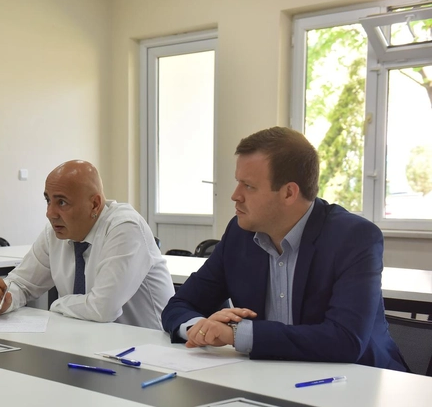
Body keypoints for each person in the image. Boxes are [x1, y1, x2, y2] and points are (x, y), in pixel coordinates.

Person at [162, 127, 406, 372]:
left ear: (289, 193)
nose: (235, 196)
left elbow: (346, 340)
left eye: (249, 186)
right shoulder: (239, 234)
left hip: (359, 380)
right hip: (270, 378)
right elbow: (180, 304)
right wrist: (200, 329)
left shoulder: (353, 237)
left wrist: (237, 334)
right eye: (238, 182)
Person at [0, 160, 173, 329]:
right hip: (87, 342)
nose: (50, 213)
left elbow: (102, 309)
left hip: (146, 347)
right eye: (48, 200)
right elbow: (22, 283)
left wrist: (57, 304)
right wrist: (5, 299)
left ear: (95, 204)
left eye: (62, 202)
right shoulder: (55, 232)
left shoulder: (125, 227)